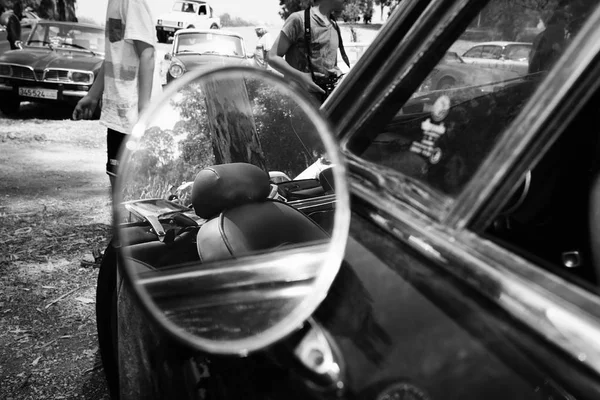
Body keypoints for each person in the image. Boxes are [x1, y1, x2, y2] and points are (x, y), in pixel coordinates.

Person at [72, 0, 156, 193]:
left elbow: (147, 54)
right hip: (119, 115)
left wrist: (144, 112)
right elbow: (113, 55)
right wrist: (93, 95)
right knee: (117, 183)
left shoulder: (131, 2)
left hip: (133, 115)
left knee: (133, 191)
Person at [268, 0, 349, 103]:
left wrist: (337, 76)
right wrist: (301, 77)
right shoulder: (298, 19)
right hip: (301, 103)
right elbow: (272, 57)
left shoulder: (334, 25)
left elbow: (329, 64)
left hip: (328, 101)